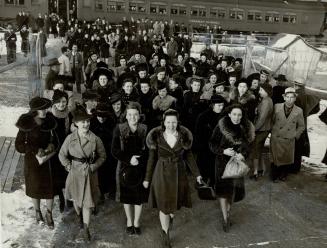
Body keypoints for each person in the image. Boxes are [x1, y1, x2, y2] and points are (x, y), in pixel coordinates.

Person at [143, 109, 202, 248]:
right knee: (163, 205)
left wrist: (197, 174)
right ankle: (165, 233)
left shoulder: (183, 137)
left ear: (177, 122)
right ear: (163, 122)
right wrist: (147, 178)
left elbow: (189, 157)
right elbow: (151, 159)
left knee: (174, 203)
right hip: (161, 173)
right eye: (168, 122)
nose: (171, 125)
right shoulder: (157, 137)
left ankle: (170, 216)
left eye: (173, 122)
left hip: (178, 172)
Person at [59, 104, 106, 241]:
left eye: (87, 121)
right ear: (76, 123)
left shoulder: (95, 139)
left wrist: (93, 166)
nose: (86, 124)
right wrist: (68, 166)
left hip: (89, 174)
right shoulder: (70, 138)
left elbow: (103, 156)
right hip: (74, 173)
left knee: (87, 202)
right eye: (82, 122)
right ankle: (79, 215)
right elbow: (62, 155)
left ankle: (86, 228)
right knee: (76, 200)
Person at [209, 104, 255, 232]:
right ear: (229, 114)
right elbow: (212, 143)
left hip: (236, 164)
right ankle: (225, 218)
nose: (236, 117)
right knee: (223, 192)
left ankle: (228, 211)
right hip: (222, 164)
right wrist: (223, 151)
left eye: (239, 115)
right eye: (234, 114)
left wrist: (243, 154)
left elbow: (250, 146)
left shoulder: (246, 128)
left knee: (233, 192)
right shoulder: (221, 126)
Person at [15, 97, 59, 229]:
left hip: (49, 161)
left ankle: (49, 214)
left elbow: (56, 140)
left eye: (46, 108)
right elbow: (19, 145)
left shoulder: (50, 121)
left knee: (50, 189)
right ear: (35, 110)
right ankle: (38, 212)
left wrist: (52, 145)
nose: (45, 111)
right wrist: (34, 150)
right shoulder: (26, 122)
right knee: (35, 187)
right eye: (41, 109)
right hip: (32, 162)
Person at [111, 102, 148, 235]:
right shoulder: (119, 129)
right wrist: (128, 159)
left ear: (139, 115)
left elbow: (148, 150)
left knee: (138, 197)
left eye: (135, 114)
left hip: (140, 168)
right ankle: (129, 221)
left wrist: (139, 159)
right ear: (126, 116)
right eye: (130, 115)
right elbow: (114, 150)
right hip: (124, 167)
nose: (132, 117)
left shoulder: (144, 129)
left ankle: (136, 222)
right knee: (126, 197)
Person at [270, 87, 305, 183]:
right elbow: (272, 121)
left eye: (292, 97)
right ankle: (274, 175)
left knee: (286, 158)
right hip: (276, 137)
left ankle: (283, 174)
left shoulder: (299, 111)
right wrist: (273, 132)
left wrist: (295, 135)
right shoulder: (276, 106)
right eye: (287, 97)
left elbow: (302, 126)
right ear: (284, 97)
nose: (289, 99)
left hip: (289, 138)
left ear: (295, 99)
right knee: (275, 158)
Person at [194, 95, 227, 186]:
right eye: (219, 105)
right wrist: (200, 146)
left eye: (222, 105)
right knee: (204, 167)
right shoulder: (203, 116)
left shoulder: (224, 116)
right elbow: (198, 133)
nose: (221, 107)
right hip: (205, 147)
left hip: (218, 147)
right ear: (212, 105)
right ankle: (203, 184)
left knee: (216, 168)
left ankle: (214, 184)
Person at [249, 84, 273, 180]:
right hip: (264, 129)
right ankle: (261, 169)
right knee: (259, 149)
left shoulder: (266, 102)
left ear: (266, 91)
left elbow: (262, 118)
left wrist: (253, 129)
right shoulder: (266, 100)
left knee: (255, 150)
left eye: (261, 90)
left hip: (262, 129)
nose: (259, 92)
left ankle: (255, 172)